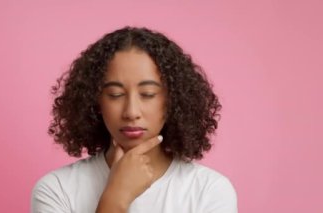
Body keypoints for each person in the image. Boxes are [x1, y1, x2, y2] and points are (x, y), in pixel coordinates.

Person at [31, 26, 237, 213]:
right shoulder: (56, 190)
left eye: (147, 94)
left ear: (173, 101)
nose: (131, 112)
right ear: (95, 102)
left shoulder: (209, 191)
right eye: (115, 94)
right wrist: (115, 199)